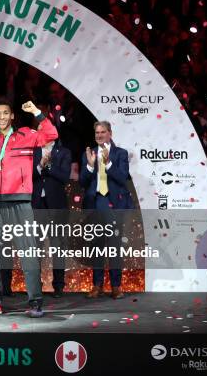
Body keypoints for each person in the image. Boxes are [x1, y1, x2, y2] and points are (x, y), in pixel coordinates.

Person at [0, 100, 58, 318]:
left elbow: (51, 134)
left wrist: (37, 111)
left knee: (27, 252)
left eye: (6, 113)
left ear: (12, 116)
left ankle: (35, 301)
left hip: (20, 201)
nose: (2, 117)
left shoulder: (26, 135)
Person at [80, 121, 133, 299]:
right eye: (97, 133)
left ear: (110, 133)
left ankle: (116, 286)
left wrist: (109, 163)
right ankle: (97, 285)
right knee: (97, 247)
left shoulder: (120, 153)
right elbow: (82, 182)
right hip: (95, 203)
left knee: (114, 247)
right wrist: (89, 166)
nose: (99, 135)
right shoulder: (89, 154)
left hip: (114, 204)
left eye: (103, 132)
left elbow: (122, 178)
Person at [32, 138, 71, 298]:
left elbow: (64, 177)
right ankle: (35, 286)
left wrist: (48, 166)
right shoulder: (33, 151)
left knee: (57, 247)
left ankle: (59, 286)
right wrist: (40, 165)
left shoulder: (64, 152)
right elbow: (28, 175)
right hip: (37, 204)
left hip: (57, 205)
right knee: (36, 247)